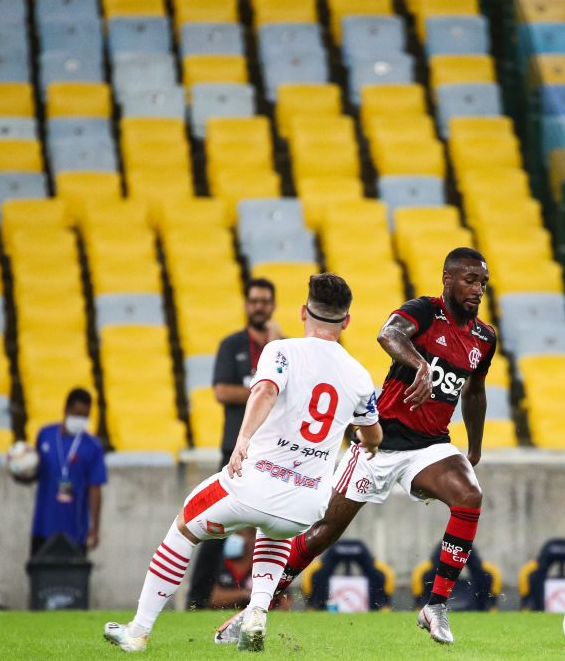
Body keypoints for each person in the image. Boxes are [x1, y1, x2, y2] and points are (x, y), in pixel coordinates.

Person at [220, 247, 497, 646]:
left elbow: (475, 392)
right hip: (378, 445)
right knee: (320, 534)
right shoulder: (424, 311)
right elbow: (389, 334)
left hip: (430, 447)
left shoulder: (483, 337)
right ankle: (255, 608)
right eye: (470, 281)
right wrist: (420, 363)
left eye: (483, 283)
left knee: (469, 495)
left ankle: (435, 605)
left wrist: (474, 447)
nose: (477, 290)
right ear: (448, 279)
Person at [104, 273, 382, 653]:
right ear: (346, 321)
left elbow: (266, 390)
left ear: (303, 312)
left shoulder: (280, 350)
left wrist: (244, 439)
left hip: (253, 484)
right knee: (275, 530)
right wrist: (367, 446)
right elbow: (372, 435)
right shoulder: (360, 377)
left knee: (185, 525)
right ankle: (255, 614)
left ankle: (138, 631)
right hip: (306, 506)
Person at [188, 278, 280, 608]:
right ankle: (196, 597)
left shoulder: (280, 349)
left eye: (265, 301)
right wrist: (264, 390)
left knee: (273, 524)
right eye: (254, 300)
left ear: (273, 306)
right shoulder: (232, 345)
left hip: (270, 449)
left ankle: (271, 599)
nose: (259, 306)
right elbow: (222, 391)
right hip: (235, 448)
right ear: (246, 305)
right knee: (215, 524)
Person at [27, 388, 107, 555]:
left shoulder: (92, 446)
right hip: (43, 527)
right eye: (77, 414)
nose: (81, 420)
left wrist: (95, 528)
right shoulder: (45, 435)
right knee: (41, 577)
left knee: (71, 579)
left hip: (75, 532)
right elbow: (34, 472)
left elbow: (95, 489)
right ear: (66, 410)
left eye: (85, 416)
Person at [208, 528, 290, 611]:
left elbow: (284, 603)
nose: (233, 538)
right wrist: (245, 594)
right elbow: (214, 599)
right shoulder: (222, 563)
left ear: (254, 538)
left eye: (239, 534)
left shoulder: (269, 565)